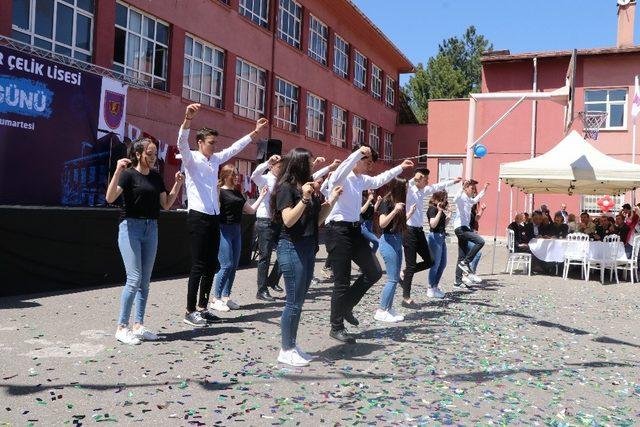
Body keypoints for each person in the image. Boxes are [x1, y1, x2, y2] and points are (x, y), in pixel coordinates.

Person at [177, 103, 268, 327]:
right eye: (211, 142)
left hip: (213, 218)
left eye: (215, 142)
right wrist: (187, 119)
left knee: (210, 266)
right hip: (197, 216)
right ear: (200, 143)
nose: (214, 146)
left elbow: (234, 149)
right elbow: (181, 142)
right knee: (199, 266)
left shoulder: (215, 159)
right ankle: (190, 311)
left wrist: (255, 133)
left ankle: (203, 307)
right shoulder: (191, 159)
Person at [325, 144, 414, 344]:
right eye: (367, 161)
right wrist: (358, 153)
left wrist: (399, 168)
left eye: (371, 161)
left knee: (373, 271)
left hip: (355, 230)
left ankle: (347, 305)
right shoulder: (341, 177)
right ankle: (336, 326)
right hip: (337, 231)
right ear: (357, 159)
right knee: (342, 281)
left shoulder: (361, 180)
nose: (370, 165)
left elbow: (378, 180)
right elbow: (343, 169)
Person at [106, 138, 184, 345]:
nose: (153, 157)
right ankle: (122, 327)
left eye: (155, 153)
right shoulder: (128, 175)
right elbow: (110, 198)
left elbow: (166, 204)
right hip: (130, 227)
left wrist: (177, 184)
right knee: (134, 278)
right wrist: (116, 172)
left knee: (145, 281)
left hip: (152, 228)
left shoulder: (157, 178)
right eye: (149, 153)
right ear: (138, 154)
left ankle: (138, 325)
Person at [273, 148, 343, 366]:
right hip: (291, 247)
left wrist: (331, 200)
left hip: (307, 247)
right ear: (300, 163)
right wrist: (304, 198)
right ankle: (286, 349)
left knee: (299, 302)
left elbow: (318, 220)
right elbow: (288, 221)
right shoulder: (286, 188)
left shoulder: (307, 187)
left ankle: (292, 344)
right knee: (293, 302)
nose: (313, 166)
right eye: (310, 162)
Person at [401, 169, 461, 308]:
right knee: (411, 265)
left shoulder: (423, 191)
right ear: (419, 179)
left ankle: (404, 273)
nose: (428, 181)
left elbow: (436, 187)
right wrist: (414, 179)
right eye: (425, 179)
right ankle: (406, 298)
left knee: (430, 261)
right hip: (409, 231)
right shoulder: (410, 190)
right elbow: (406, 185)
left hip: (419, 231)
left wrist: (453, 181)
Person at [211, 165, 268, 312]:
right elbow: (215, 209)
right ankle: (215, 298)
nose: (237, 177)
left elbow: (250, 210)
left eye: (237, 174)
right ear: (225, 176)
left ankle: (226, 297)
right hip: (223, 229)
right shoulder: (219, 192)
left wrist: (262, 196)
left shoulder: (237, 192)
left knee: (234, 266)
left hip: (236, 230)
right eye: (233, 175)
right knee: (226, 265)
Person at [376, 178, 417, 321]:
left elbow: (398, 223)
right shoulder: (387, 202)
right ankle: (381, 310)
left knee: (396, 277)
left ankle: (388, 308)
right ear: (399, 187)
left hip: (397, 240)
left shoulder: (400, 203)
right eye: (405, 187)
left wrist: (409, 214)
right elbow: (382, 223)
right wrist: (394, 210)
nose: (407, 190)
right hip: (387, 241)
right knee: (392, 279)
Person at [251, 155, 285, 301]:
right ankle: (261, 290)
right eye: (279, 167)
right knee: (265, 256)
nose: (281, 169)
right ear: (272, 167)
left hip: (278, 221)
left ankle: (273, 280)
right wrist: (267, 162)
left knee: (285, 251)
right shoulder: (265, 178)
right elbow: (254, 175)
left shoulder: (282, 180)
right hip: (265, 220)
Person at [453, 179, 488, 289]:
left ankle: (457, 282)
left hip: (464, 228)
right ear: (466, 188)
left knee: (461, 256)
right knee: (480, 241)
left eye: (474, 189)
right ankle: (466, 263)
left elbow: (476, 199)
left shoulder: (469, 199)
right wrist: (462, 188)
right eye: (471, 188)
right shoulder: (461, 197)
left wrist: (485, 189)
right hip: (461, 228)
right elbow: (455, 199)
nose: (473, 191)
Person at [425, 191, 450, 299]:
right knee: (435, 264)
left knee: (443, 263)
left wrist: (449, 215)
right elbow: (433, 224)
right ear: (439, 198)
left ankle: (435, 286)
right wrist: (440, 212)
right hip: (434, 237)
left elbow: (442, 224)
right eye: (445, 198)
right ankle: (430, 288)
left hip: (441, 237)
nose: (446, 201)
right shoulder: (432, 209)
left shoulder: (439, 210)